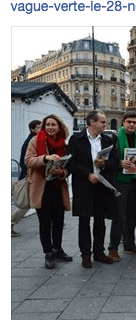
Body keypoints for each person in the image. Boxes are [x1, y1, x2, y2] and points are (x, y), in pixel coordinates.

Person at [68, 111, 120, 268]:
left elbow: (116, 162)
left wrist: (104, 164)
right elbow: (71, 163)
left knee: (100, 220)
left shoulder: (108, 140)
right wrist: (87, 174)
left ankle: (99, 252)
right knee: (84, 220)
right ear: (92, 122)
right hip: (84, 185)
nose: (105, 125)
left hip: (102, 185)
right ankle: (85, 254)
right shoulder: (76, 139)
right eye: (102, 122)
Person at [25, 114, 72, 270]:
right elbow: (28, 160)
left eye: (54, 125)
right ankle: (48, 253)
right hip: (41, 188)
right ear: (44, 127)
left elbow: (68, 168)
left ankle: (57, 249)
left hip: (57, 187)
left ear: (59, 127)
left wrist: (63, 172)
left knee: (58, 221)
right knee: (45, 223)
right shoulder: (35, 141)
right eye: (48, 125)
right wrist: (45, 158)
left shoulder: (63, 144)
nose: (51, 127)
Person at [108, 111, 136, 262]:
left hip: (135, 181)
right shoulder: (115, 138)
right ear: (123, 123)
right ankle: (113, 248)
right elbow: (106, 160)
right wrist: (119, 164)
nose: (132, 125)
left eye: (134, 122)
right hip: (120, 180)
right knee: (119, 216)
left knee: (132, 215)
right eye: (129, 122)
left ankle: (130, 245)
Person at [12, 119, 41, 236]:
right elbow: (25, 162)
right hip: (28, 177)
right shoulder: (31, 141)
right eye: (39, 127)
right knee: (26, 203)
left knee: (35, 201)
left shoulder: (35, 140)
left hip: (31, 177)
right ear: (33, 129)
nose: (41, 129)